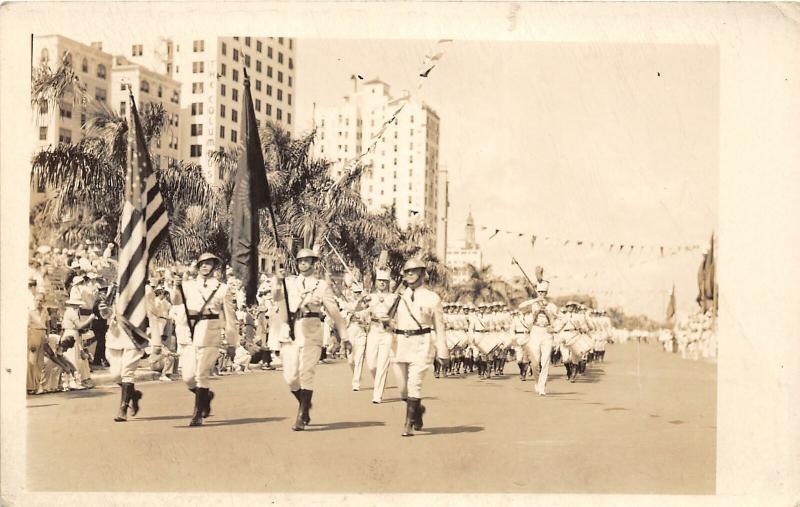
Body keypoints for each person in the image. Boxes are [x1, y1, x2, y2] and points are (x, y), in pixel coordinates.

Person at [271, 248, 347, 431]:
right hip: (290, 330)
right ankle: (304, 403)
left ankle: (302, 414)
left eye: (307, 261)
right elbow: (276, 297)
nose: (303, 263)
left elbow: (333, 311)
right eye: (300, 261)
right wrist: (277, 279)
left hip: (312, 329)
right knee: (290, 377)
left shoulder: (321, 286)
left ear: (314, 264)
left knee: (306, 372)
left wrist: (344, 334)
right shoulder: (289, 282)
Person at [174, 252, 237, 427]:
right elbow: (176, 301)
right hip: (191, 333)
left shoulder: (222, 288)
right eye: (202, 263)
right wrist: (176, 286)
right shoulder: (188, 285)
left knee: (201, 374)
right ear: (197, 266)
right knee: (188, 377)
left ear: (214, 266)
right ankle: (205, 396)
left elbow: (231, 318)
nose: (205, 266)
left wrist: (232, 342)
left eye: (209, 263)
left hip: (211, 333)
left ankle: (197, 415)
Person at [390, 258, 449, 437]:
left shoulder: (432, 298)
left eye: (414, 271)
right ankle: (418, 409)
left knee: (414, 383)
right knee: (403, 390)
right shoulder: (399, 297)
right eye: (407, 272)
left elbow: (439, 326)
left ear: (422, 274)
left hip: (422, 344)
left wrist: (443, 350)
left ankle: (407, 424)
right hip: (400, 343)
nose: (409, 275)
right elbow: (388, 319)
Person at [104, 303, 144, 422]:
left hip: (133, 336)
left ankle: (123, 409)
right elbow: (104, 313)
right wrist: (105, 312)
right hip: (115, 337)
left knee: (127, 372)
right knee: (116, 375)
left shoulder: (143, 288)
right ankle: (133, 395)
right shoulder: (111, 290)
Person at [362, 269, 397, 403]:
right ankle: (379, 379)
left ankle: (377, 395)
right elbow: (361, 310)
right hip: (374, 330)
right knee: (371, 364)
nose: (382, 283)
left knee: (383, 363)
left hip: (387, 332)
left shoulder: (394, 297)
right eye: (380, 281)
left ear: (388, 282)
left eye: (385, 281)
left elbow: (396, 314)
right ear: (376, 282)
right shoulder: (370, 296)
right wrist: (364, 300)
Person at [519, 281, 558, 396]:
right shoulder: (533, 304)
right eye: (539, 292)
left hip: (547, 333)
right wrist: (535, 301)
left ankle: (542, 387)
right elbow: (520, 306)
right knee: (535, 363)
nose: (541, 294)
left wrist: (555, 328)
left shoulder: (551, 306)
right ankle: (537, 382)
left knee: (545, 361)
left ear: (546, 293)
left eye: (543, 292)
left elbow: (560, 318)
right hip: (535, 332)